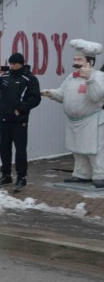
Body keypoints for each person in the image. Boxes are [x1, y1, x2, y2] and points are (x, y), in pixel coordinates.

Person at [41, 39, 104, 187]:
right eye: (75, 59)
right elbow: (63, 94)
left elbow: (96, 97)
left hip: (92, 120)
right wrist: (51, 93)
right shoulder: (71, 77)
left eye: (79, 59)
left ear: (90, 62)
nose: (75, 62)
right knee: (78, 150)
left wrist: (89, 79)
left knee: (94, 150)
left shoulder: (99, 77)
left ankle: (100, 174)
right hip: (74, 121)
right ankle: (82, 174)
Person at [0, 52, 41, 192]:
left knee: (20, 149)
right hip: (4, 118)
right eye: (10, 63)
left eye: (15, 63)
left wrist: (21, 109)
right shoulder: (5, 76)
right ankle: (6, 175)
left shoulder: (29, 79)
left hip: (19, 120)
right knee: (4, 147)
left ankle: (21, 177)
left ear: (21, 64)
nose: (12, 66)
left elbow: (35, 98)